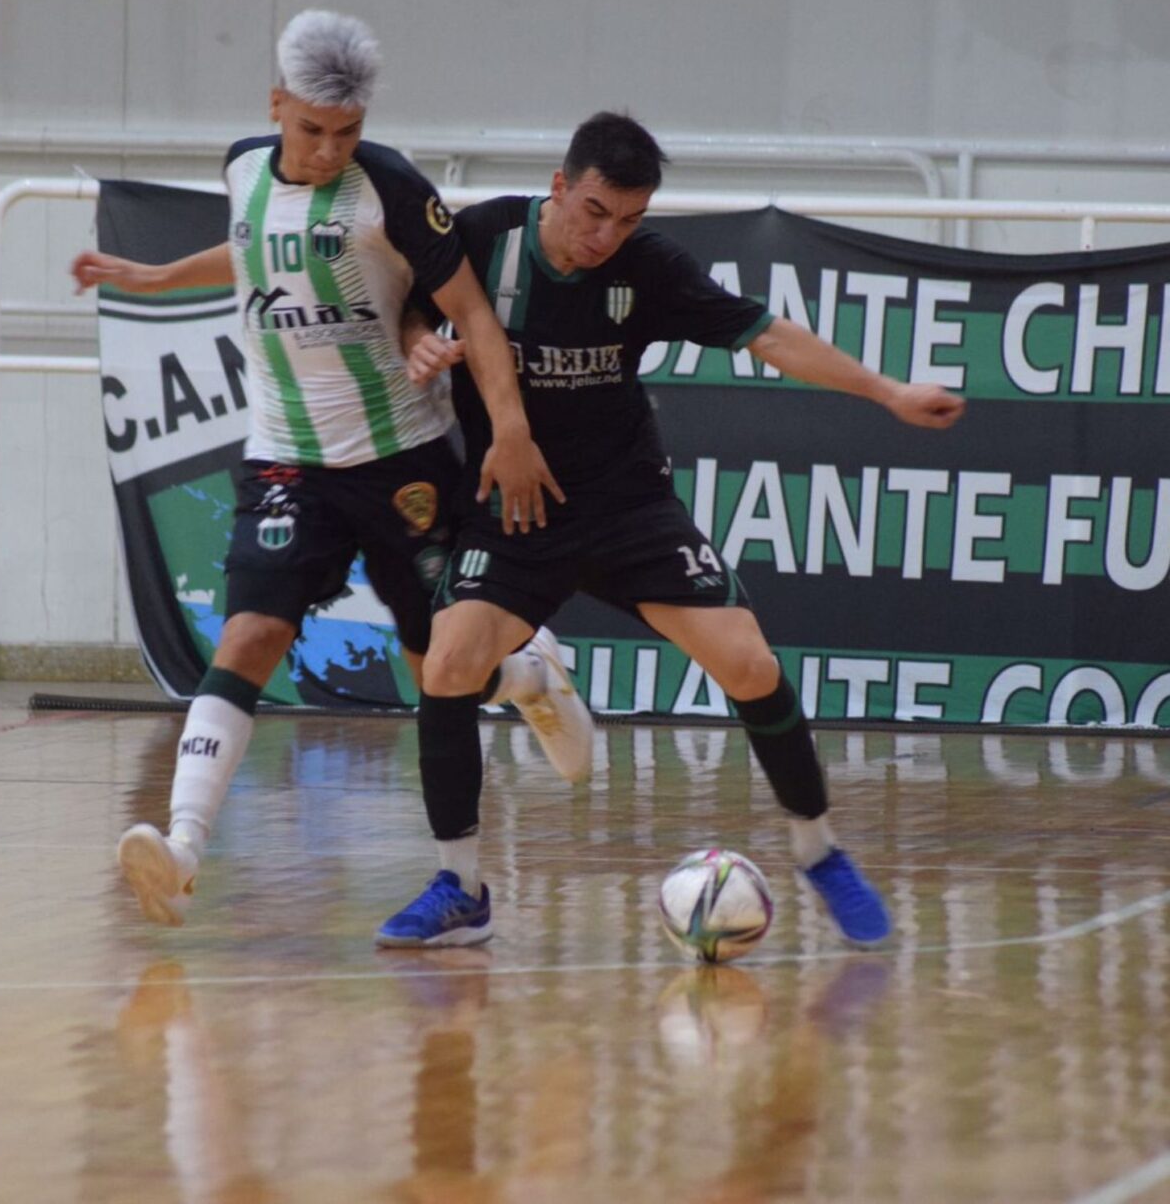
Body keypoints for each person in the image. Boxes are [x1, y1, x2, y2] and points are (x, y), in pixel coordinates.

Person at [376, 111, 965, 949]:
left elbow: (770, 337)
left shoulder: (648, 267)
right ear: (559, 187)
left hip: (628, 508)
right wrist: (417, 343)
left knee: (750, 663)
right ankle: (461, 888)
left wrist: (889, 392)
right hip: (517, 509)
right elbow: (404, 306)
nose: (606, 236)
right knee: (446, 665)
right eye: (594, 212)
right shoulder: (484, 238)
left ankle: (819, 851)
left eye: (629, 219)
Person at [70, 10, 594, 927]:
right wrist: (153, 278)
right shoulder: (242, 168)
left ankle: (527, 675)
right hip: (286, 462)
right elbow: (252, 252)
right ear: (275, 105)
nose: (328, 149)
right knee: (248, 638)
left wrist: (507, 430)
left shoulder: (389, 188)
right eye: (311, 129)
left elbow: (471, 311)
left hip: (402, 462)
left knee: (441, 668)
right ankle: (183, 846)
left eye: (346, 131)